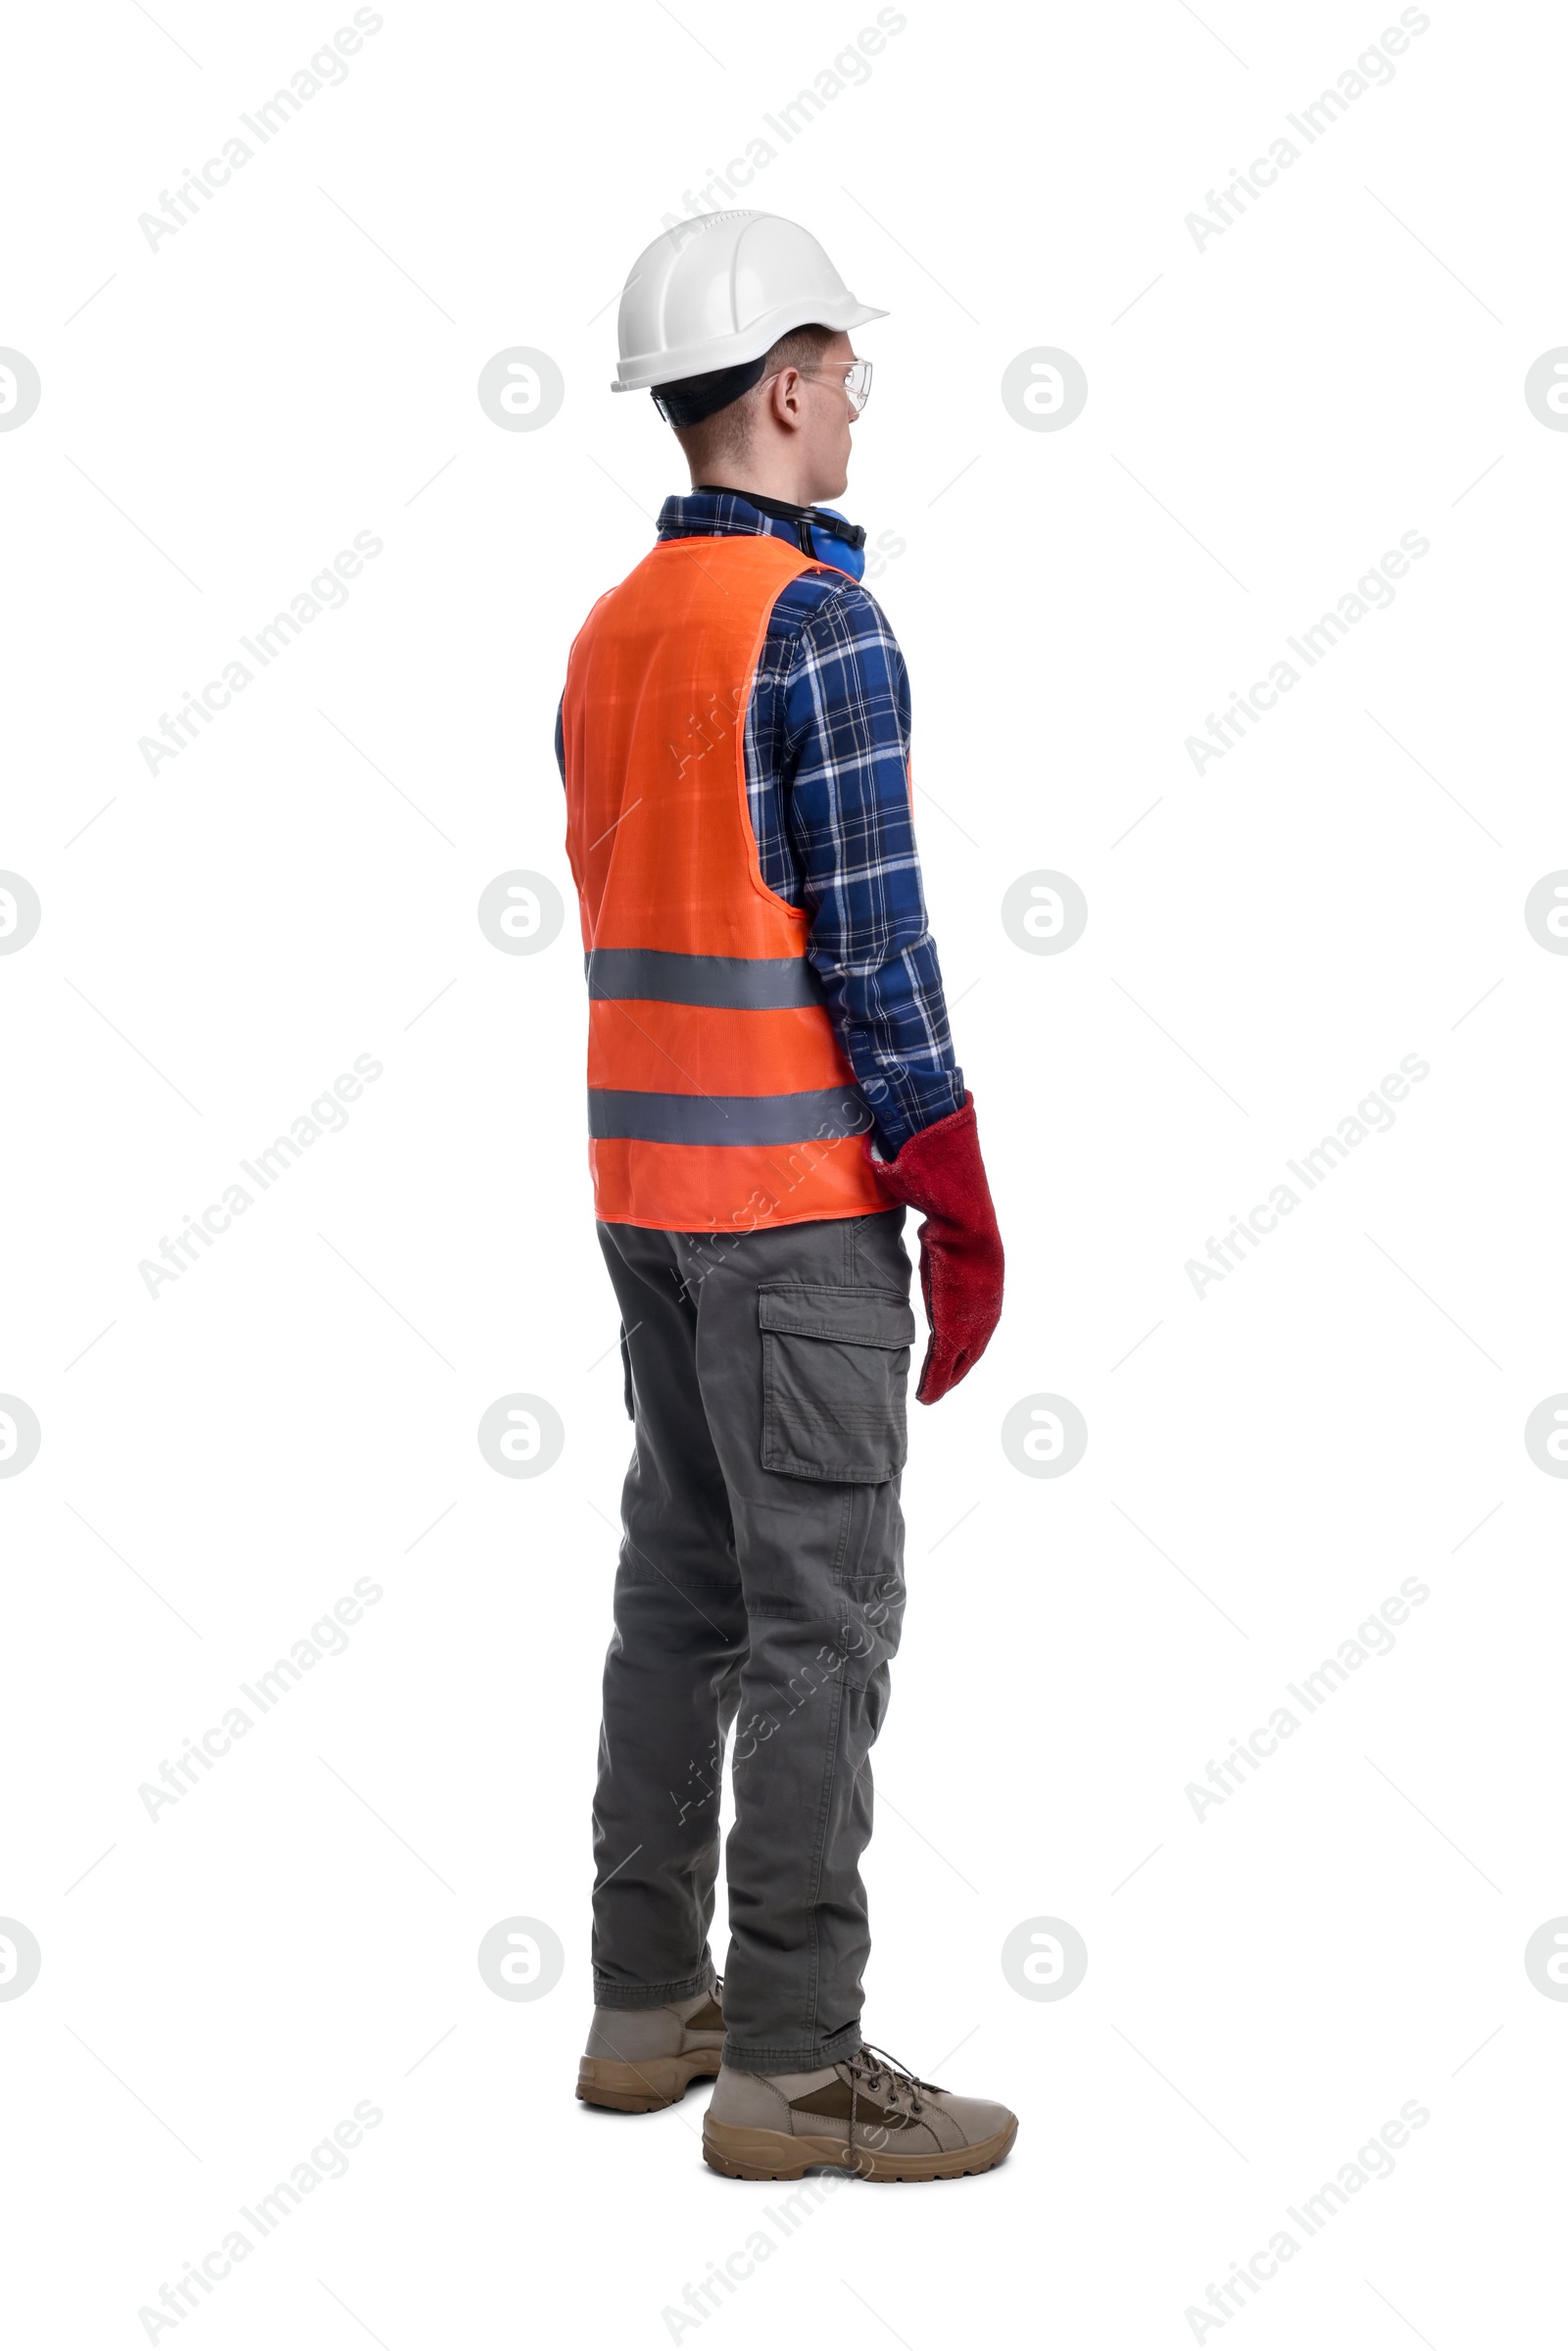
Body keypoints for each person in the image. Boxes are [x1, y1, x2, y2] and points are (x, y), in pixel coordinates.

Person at [559, 210, 1012, 2181]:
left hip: (642, 1188)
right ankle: (796, 2067)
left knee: (683, 1592)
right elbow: (870, 944)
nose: (853, 408)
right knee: (821, 1616)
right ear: (785, 384)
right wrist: (950, 1169)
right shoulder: (817, 625)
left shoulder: (610, 626)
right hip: (794, 1209)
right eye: (842, 374)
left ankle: (648, 2010)